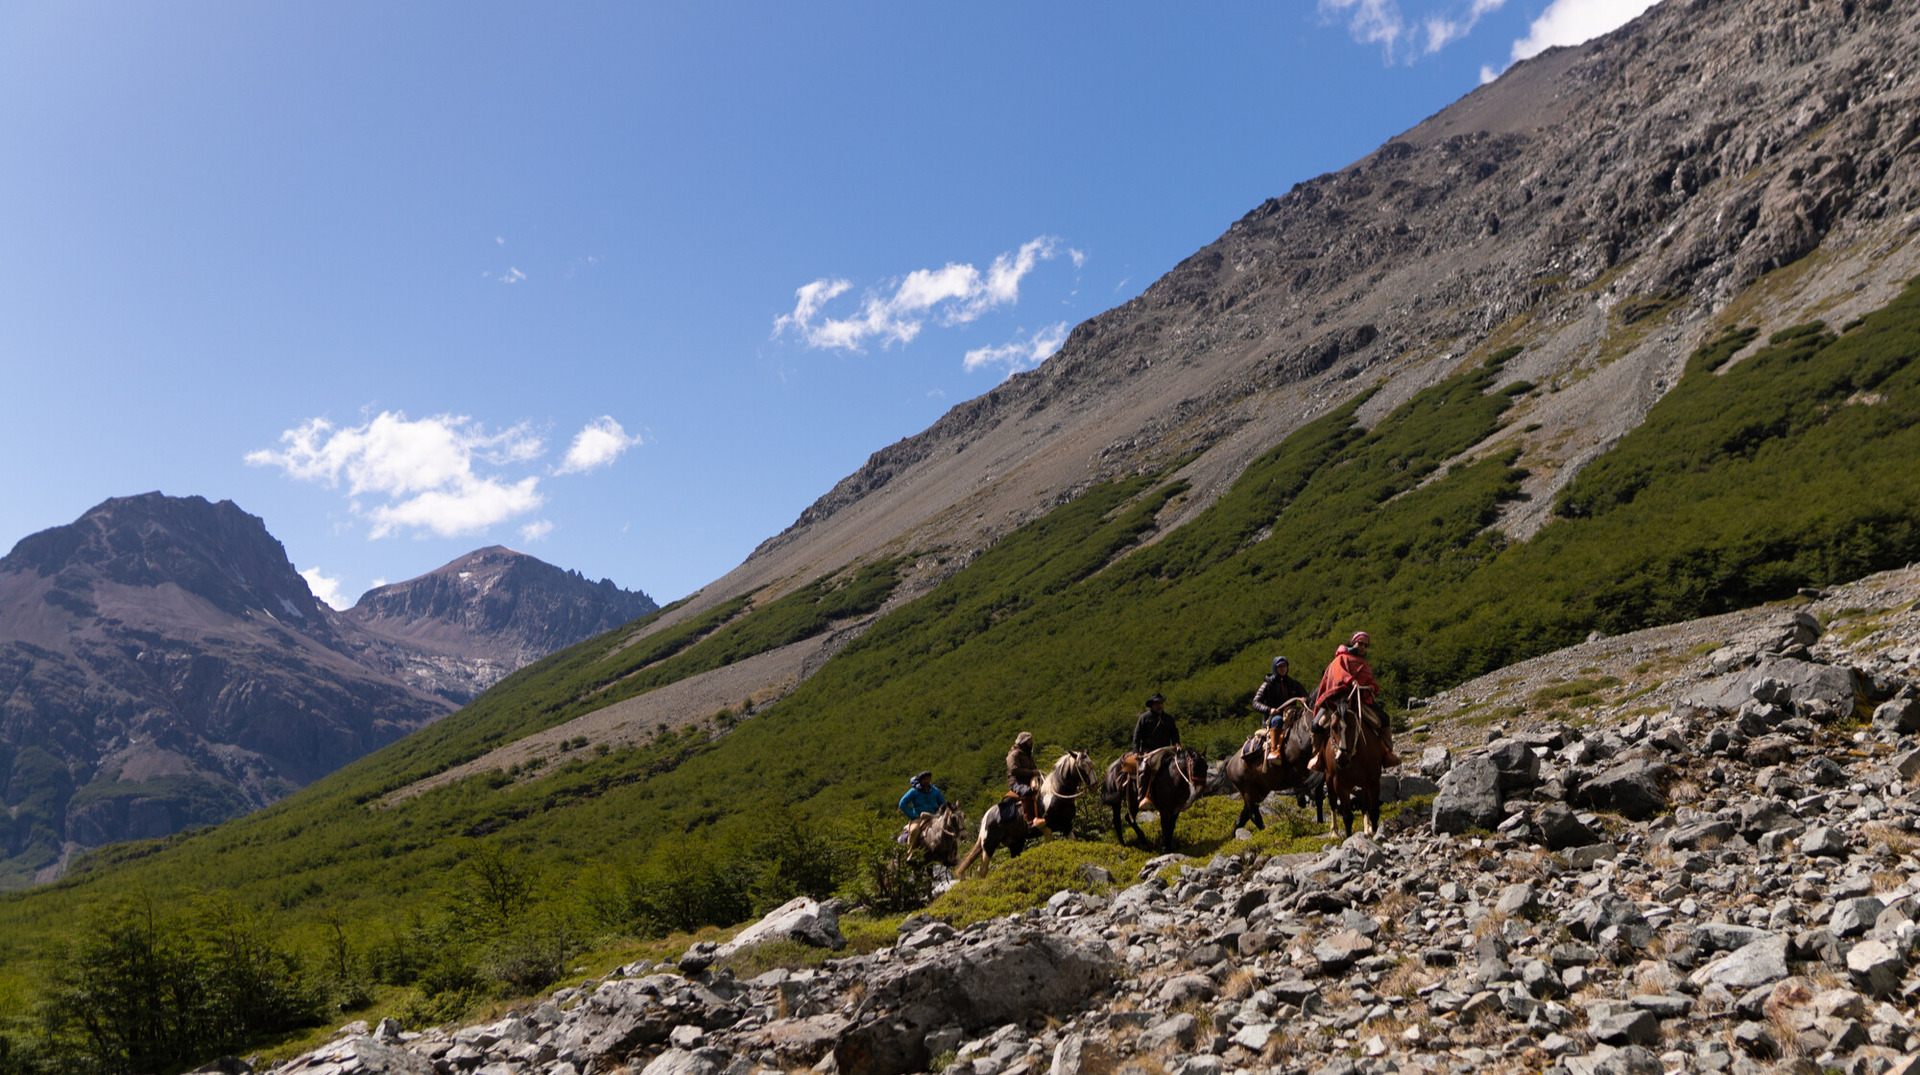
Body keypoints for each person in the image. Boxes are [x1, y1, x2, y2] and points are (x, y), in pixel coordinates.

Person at [1309, 631, 1400, 770]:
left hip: (1360, 699)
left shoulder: (1365, 663)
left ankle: (1388, 753)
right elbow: (1340, 674)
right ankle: (1318, 756)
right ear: (1353, 643)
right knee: (1317, 724)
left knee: (1384, 719)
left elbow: (1371, 681)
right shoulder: (1341, 658)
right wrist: (1351, 682)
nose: (1363, 647)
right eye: (1360, 643)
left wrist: (1372, 687)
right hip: (1339, 699)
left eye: (1366, 645)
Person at [1248, 656, 1309, 761]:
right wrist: (1269, 710)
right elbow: (1255, 702)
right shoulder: (1267, 684)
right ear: (1275, 668)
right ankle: (1274, 750)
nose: (1282, 668)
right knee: (1278, 720)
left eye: (1284, 666)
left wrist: (1304, 700)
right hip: (1273, 718)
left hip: (1291, 715)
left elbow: (1306, 697)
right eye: (1280, 666)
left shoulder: (1294, 684)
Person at [1125, 693, 1182, 802]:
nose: (1160, 705)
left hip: (1166, 750)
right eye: (1157, 704)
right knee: (1145, 767)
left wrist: (1177, 743)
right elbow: (1137, 735)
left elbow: (1174, 733)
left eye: (1161, 703)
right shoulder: (1144, 718)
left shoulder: (1169, 719)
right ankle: (1142, 796)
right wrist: (1135, 751)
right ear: (1152, 705)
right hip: (1148, 752)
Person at [1006, 732, 1047, 832]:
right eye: (1029, 741)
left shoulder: (1029, 755)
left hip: (1029, 781)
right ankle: (1030, 821)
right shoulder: (1013, 754)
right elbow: (1014, 770)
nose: (1031, 743)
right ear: (1023, 742)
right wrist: (1032, 772)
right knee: (1027, 792)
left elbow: (1033, 768)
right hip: (1016, 782)